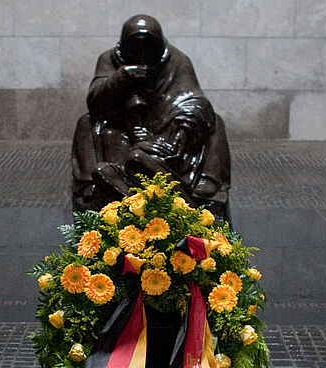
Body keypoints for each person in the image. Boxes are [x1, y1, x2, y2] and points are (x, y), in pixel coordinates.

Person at [71, 15, 231, 218]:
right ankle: (92, 188)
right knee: (86, 123)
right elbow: (94, 102)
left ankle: (205, 187)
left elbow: (196, 101)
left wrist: (183, 130)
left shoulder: (177, 61)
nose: (142, 55)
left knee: (214, 122)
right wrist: (121, 77)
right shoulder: (109, 59)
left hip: (167, 129)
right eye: (135, 47)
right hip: (125, 130)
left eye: (148, 47)